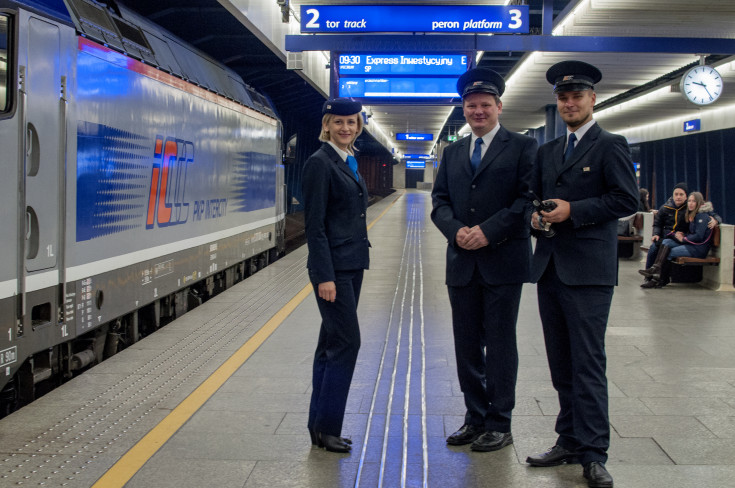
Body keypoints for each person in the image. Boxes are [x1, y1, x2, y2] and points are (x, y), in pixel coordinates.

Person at [527, 61, 638, 488]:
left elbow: (625, 199)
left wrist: (574, 211)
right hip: (550, 265)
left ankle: (594, 453)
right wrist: (535, 221)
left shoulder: (611, 144)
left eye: (577, 96)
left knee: (587, 362)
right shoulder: (547, 151)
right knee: (561, 362)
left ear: (593, 99)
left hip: (589, 271)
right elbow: (535, 199)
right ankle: (568, 439)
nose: (569, 103)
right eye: (563, 97)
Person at [431, 68, 537, 452]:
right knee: (466, 345)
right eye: (471, 106)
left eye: (485, 105)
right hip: (461, 261)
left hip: (503, 261)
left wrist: (488, 231)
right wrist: (455, 229)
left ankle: (500, 422)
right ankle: (475, 417)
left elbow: (526, 200)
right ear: (464, 109)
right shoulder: (453, 151)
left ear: (499, 107)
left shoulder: (524, 147)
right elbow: (439, 200)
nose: (478, 111)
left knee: (501, 343)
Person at [302, 98, 370, 453]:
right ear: (327, 124)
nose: (346, 128)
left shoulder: (347, 160)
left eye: (352, 122)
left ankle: (318, 426)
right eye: (339, 122)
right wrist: (324, 276)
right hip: (334, 272)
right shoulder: (320, 163)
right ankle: (328, 429)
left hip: (351, 265)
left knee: (330, 345)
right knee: (346, 343)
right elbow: (315, 227)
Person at [639, 192, 721, 288]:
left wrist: (684, 238)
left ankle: (658, 278)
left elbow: (698, 236)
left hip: (697, 249)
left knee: (669, 252)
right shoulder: (692, 213)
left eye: (693, 201)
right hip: (690, 244)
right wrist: (679, 235)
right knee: (666, 242)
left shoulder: (702, 216)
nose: (690, 203)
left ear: (699, 203)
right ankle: (655, 270)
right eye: (689, 201)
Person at [639, 183, 688, 287]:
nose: (678, 197)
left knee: (666, 246)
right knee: (653, 248)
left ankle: (659, 278)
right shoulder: (665, 208)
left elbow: (709, 214)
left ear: (686, 196)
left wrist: (715, 220)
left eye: (681, 194)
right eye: (676, 194)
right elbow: (657, 224)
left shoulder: (690, 208)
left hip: (678, 240)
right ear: (673, 195)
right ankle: (648, 276)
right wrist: (656, 234)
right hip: (666, 237)